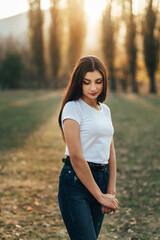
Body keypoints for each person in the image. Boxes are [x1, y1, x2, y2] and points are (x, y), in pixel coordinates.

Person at [58, 55, 119, 240]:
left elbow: (111, 153)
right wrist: (99, 196)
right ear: (79, 82)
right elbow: (76, 157)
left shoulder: (105, 110)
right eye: (87, 82)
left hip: (101, 179)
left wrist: (110, 191)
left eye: (98, 81)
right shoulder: (72, 108)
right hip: (76, 183)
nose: (93, 88)